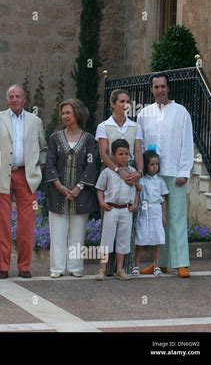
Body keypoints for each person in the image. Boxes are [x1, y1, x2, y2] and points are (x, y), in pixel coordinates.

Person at [0, 84, 47, 279]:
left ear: (24, 99)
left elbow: (43, 148)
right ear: (7, 99)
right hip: (1, 174)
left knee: (26, 223)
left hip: (26, 176)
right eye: (11, 96)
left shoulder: (35, 121)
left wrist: (39, 168)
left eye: (18, 96)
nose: (14, 99)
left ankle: (24, 267)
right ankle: (3, 267)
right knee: (1, 222)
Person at [137, 72, 194, 278]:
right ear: (151, 89)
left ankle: (181, 263)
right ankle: (160, 263)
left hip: (173, 172)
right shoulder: (144, 114)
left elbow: (187, 143)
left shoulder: (181, 112)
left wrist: (184, 171)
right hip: (152, 175)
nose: (160, 90)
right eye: (156, 87)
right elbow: (141, 145)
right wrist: (142, 172)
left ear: (168, 88)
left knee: (176, 217)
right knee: (154, 218)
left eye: (163, 86)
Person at [44, 99, 98, 278]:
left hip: (81, 195)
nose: (65, 116)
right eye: (63, 113)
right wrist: (59, 186)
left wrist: (79, 187)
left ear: (77, 114)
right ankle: (57, 269)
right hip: (57, 193)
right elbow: (49, 162)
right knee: (57, 233)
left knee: (77, 233)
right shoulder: (55, 137)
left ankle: (76, 267)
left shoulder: (89, 139)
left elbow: (91, 165)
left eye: (68, 112)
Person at [95, 88, 144, 274]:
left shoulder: (135, 126)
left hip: (130, 173)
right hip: (111, 171)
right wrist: (118, 170)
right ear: (113, 104)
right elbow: (103, 153)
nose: (126, 105)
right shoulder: (103, 126)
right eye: (122, 101)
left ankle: (123, 267)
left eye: (127, 101)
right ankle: (104, 268)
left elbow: (138, 151)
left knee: (126, 225)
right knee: (109, 223)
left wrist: (138, 172)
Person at [95, 139, 140, 281]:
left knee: (123, 239)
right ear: (113, 155)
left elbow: (137, 189)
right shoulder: (108, 172)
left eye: (126, 154)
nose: (124, 157)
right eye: (120, 154)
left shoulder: (132, 172)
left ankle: (120, 269)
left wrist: (135, 203)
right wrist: (102, 202)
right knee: (107, 239)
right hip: (111, 209)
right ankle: (102, 269)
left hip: (126, 210)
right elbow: (100, 188)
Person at [131, 151, 169, 276]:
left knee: (157, 239)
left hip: (156, 211)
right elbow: (137, 193)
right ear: (146, 165)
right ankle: (136, 265)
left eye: (157, 164)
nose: (155, 167)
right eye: (152, 164)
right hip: (144, 210)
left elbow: (163, 200)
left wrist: (164, 215)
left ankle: (156, 265)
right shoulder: (141, 180)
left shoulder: (160, 181)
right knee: (140, 238)